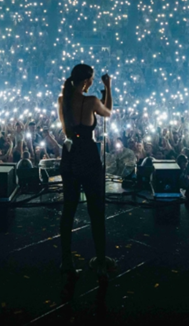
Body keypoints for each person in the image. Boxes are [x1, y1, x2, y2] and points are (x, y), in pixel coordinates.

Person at [57, 64, 115, 278]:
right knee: (96, 208)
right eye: (91, 80)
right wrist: (108, 88)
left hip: (70, 153)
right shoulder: (90, 101)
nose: (92, 82)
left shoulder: (62, 100)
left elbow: (66, 130)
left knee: (69, 209)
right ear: (86, 82)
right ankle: (100, 260)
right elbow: (107, 112)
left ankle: (66, 260)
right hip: (89, 156)